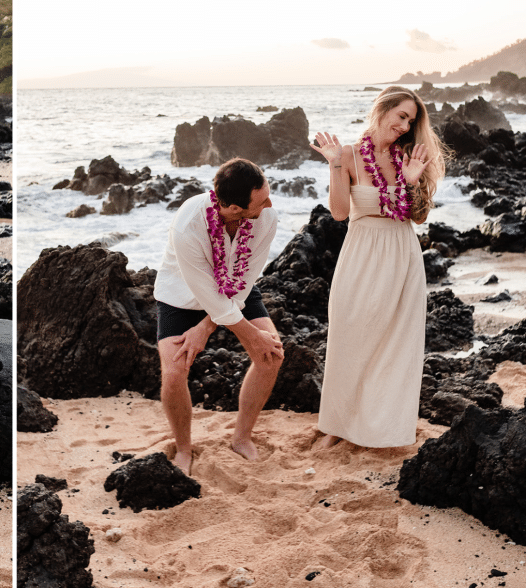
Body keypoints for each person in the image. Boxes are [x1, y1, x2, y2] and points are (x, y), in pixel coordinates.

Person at [310, 85, 445, 448]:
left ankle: (382, 427)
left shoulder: (408, 158)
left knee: (396, 343)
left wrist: (413, 181)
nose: (404, 126)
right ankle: (336, 426)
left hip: (402, 255)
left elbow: (417, 218)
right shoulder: (349, 156)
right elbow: (339, 213)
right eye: (400, 116)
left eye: (410, 121)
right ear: (381, 110)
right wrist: (335, 164)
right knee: (349, 336)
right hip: (361, 256)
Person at [153, 158, 284, 474]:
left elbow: (243, 282)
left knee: (272, 355)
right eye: (261, 199)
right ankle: (184, 448)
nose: (270, 202)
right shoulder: (189, 225)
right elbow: (204, 291)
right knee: (173, 371)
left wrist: (205, 328)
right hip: (182, 293)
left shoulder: (265, 218)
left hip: (236, 291)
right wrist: (215, 324)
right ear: (235, 208)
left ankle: (242, 438)